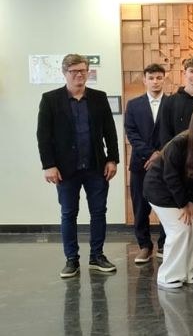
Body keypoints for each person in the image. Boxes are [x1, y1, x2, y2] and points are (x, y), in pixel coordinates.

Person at [37, 53, 119, 277]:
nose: (79, 75)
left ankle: (97, 256)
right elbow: (43, 136)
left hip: (96, 167)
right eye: (74, 71)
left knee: (99, 212)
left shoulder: (98, 98)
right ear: (64, 73)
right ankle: (71, 259)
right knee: (68, 213)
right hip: (65, 169)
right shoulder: (50, 99)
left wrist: (113, 158)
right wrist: (49, 165)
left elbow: (110, 132)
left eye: (83, 70)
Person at [144, 106, 193, 288]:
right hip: (160, 190)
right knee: (181, 228)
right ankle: (168, 275)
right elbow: (170, 176)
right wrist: (184, 203)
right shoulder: (180, 142)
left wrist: (191, 201)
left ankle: (189, 272)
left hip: (181, 193)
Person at [124, 63, 166, 264]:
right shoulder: (133, 104)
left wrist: (161, 154)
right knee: (140, 207)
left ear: (163, 79)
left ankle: (164, 244)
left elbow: (176, 132)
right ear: (145, 80)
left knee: (167, 204)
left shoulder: (172, 102)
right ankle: (144, 246)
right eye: (151, 78)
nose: (155, 81)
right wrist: (150, 153)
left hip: (167, 163)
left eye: (159, 77)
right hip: (140, 163)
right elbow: (131, 133)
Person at [158, 56, 193, 146]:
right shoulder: (170, 101)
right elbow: (165, 132)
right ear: (185, 73)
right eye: (191, 71)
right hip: (177, 152)